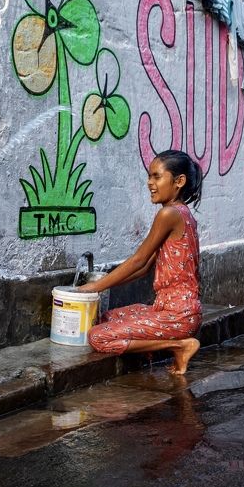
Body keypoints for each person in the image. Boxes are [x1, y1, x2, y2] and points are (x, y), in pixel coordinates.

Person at [78, 150, 204, 375]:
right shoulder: (182, 214)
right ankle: (163, 346)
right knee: (107, 317)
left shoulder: (169, 215)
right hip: (169, 310)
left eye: (157, 176)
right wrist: (102, 287)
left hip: (178, 315)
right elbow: (145, 267)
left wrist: (95, 286)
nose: (150, 183)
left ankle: (180, 345)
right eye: (149, 177)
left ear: (179, 182)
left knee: (98, 337)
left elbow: (139, 260)